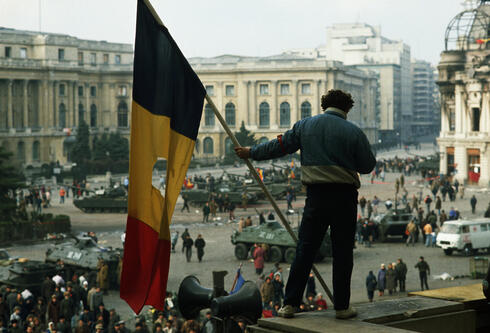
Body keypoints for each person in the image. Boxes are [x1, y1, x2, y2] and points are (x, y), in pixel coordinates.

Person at [234, 89, 376, 319]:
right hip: (344, 197)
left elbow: (279, 146)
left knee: (305, 250)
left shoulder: (305, 125)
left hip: (316, 196)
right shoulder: (354, 132)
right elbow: (368, 165)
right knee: (342, 253)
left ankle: (290, 304)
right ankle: (342, 307)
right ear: (347, 108)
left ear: (323, 105)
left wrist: (252, 152)